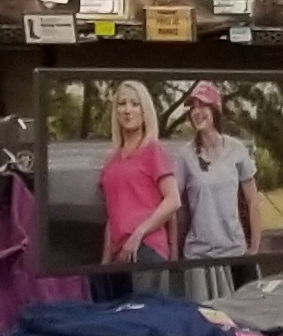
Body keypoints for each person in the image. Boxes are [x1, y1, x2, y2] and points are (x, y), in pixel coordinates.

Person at [167, 81, 261, 263]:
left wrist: (255, 249)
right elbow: (173, 207)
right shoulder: (185, 155)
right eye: (193, 107)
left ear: (215, 110)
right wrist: (173, 255)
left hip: (234, 252)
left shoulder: (237, 149)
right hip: (197, 255)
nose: (196, 112)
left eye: (202, 105)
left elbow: (253, 201)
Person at [93, 80, 179, 266]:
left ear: (144, 110)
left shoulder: (153, 150)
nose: (127, 110)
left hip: (148, 248)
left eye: (134, 104)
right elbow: (112, 216)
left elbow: (173, 200)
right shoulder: (111, 161)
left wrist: (139, 233)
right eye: (122, 104)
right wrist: (105, 262)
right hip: (120, 254)